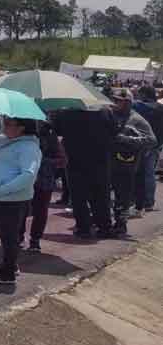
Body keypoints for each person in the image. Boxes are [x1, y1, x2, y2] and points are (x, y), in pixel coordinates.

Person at [0, 116, 41, 286]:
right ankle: (10, 265)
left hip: (11, 199)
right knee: (5, 235)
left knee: (9, 236)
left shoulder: (29, 147)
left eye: (8, 124)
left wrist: (3, 189)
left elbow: (29, 175)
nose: (3, 127)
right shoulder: (5, 141)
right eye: (4, 123)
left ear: (21, 127)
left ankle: (8, 272)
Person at [54, 106, 116, 238]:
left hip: (75, 158)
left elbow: (57, 130)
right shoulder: (105, 112)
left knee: (78, 196)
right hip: (100, 159)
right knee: (101, 195)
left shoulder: (66, 112)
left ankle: (84, 228)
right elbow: (114, 131)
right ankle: (104, 227)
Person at [109, 88, 156, 229]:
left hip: (126, 163)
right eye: (115, 100)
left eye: (120, 101)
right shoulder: (110, 114)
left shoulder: (137, 120)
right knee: (103, 193)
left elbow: (151, 141)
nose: (116, 103)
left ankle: (121, 224)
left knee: (123, 197)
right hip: (107, 161)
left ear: (128, 103)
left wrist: (126, 139)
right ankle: (103, 221)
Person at [20, 118, 65, 253]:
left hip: (44, 180)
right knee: (21, 209)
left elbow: (62, 160)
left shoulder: (50, 135)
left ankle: (35, 240)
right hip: (24, 179)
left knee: (40, 211)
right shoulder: (23, 134)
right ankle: (18, 237)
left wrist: (43, 161)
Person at [132, 86, 163, 213]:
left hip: (139, 144)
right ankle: (149, 202)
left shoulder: (137, 107)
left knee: (136, 173)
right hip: (154, 145)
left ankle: (136, 200)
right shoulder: (160, 108)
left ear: (144, 94)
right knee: (149, 174)